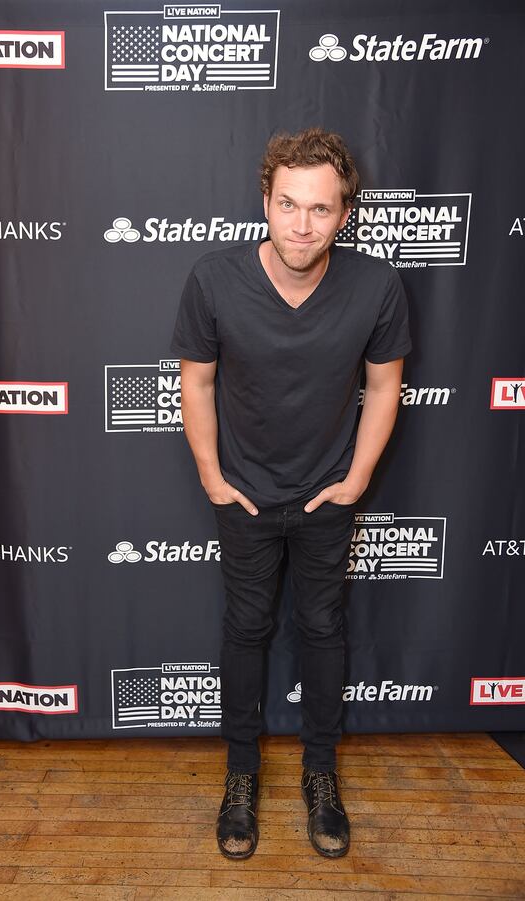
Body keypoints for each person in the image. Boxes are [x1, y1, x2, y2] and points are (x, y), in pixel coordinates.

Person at [169, 127, 411, 860]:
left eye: (320, 208)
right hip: (244, 495)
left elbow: (384, 382)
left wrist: (358, 477)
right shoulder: (213, 279)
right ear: (265, 201)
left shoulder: (377, 284)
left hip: (326, 497)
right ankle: (241, 774)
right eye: (287, 204)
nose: (301, 223)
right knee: (246, 629)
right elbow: (198, 379)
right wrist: (213, 475)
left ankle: (320, 773)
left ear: (345, 214)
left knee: (322, 627)